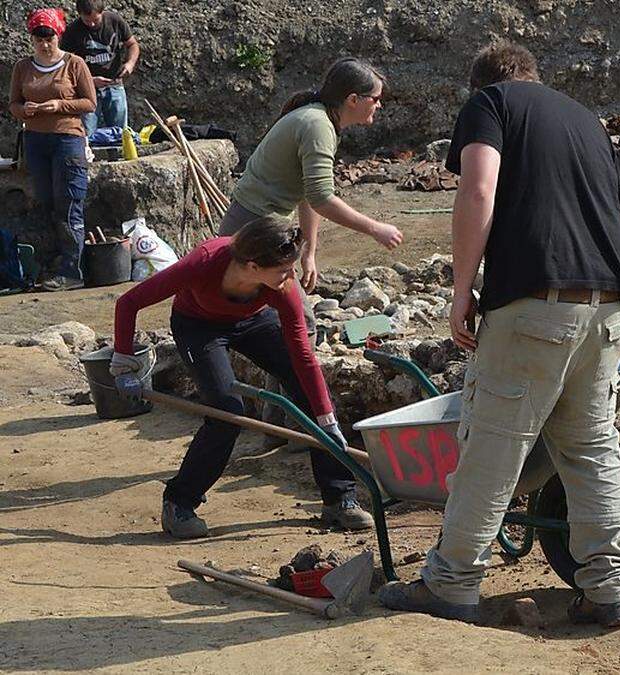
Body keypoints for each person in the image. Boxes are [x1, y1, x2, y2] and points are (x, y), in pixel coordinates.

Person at [378, 42, 620, 628]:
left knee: (493, 445)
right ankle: (609, 587)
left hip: (535, 302)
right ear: (535, 76)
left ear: (483, 85)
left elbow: (477, 190)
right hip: (608, 302)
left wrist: (462, 290)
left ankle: (451, 582)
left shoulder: (489, 104)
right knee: (590, 446)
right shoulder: (584, 119)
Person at [108, 216, 373, 539]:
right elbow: (129, 302)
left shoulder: (282, 288)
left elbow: (303, 355)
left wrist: (327, 418)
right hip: (198, 325)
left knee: (313, 396)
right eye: (283, 271)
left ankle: (339, 497)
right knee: (227, 413)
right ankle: (179, 503)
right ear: (251, 266)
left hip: (254, 320)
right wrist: (123, 362)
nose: (291, 278)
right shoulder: (203, 262)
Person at [221, 57, 404, 294]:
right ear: (353, 100)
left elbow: (309, 194)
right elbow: (322, 198)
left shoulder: (322, 121)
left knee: (277, 313)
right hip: (254, 225)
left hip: (261, 222)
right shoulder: (317, 126)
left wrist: (309, 251)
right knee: (295, 319)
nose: (379, 105)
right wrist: (375, 229)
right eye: (376, 99)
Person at [7, 8, 96, 292]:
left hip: (67, 139)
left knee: (69, 203)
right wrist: (25, 110)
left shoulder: (74, 64)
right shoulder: (23, 67)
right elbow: (13, 104)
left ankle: (73, 271)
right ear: (32, 39)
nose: (45, 44)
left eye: (50, 38)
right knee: (45, 202)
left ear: (58, 36)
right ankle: (51, 265)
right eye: (39, 39)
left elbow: (89, 102)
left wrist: (59, 105)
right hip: (35, 140)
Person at [61, 0, 139, 136]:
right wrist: (89, 80)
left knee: (121, 133)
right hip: (87, 90)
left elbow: (132, 44)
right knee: (87, 132)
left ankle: (118, 156)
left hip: (114, 84)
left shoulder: (114, 20)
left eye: (95, 20)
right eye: (86, 21)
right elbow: (64, 63)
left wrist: (130, 63)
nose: (91, 24)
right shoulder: (73, 30)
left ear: (102, 12)